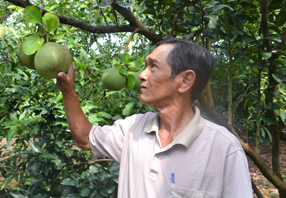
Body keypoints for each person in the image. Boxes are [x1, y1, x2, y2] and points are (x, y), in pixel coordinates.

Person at [57, 37, 253, 197]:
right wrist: (68, 90)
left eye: (153, 67)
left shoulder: (224, 149)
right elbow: (85, 137)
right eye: (145, 66)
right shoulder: (133, 128)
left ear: (185, 80)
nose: (142, 75)